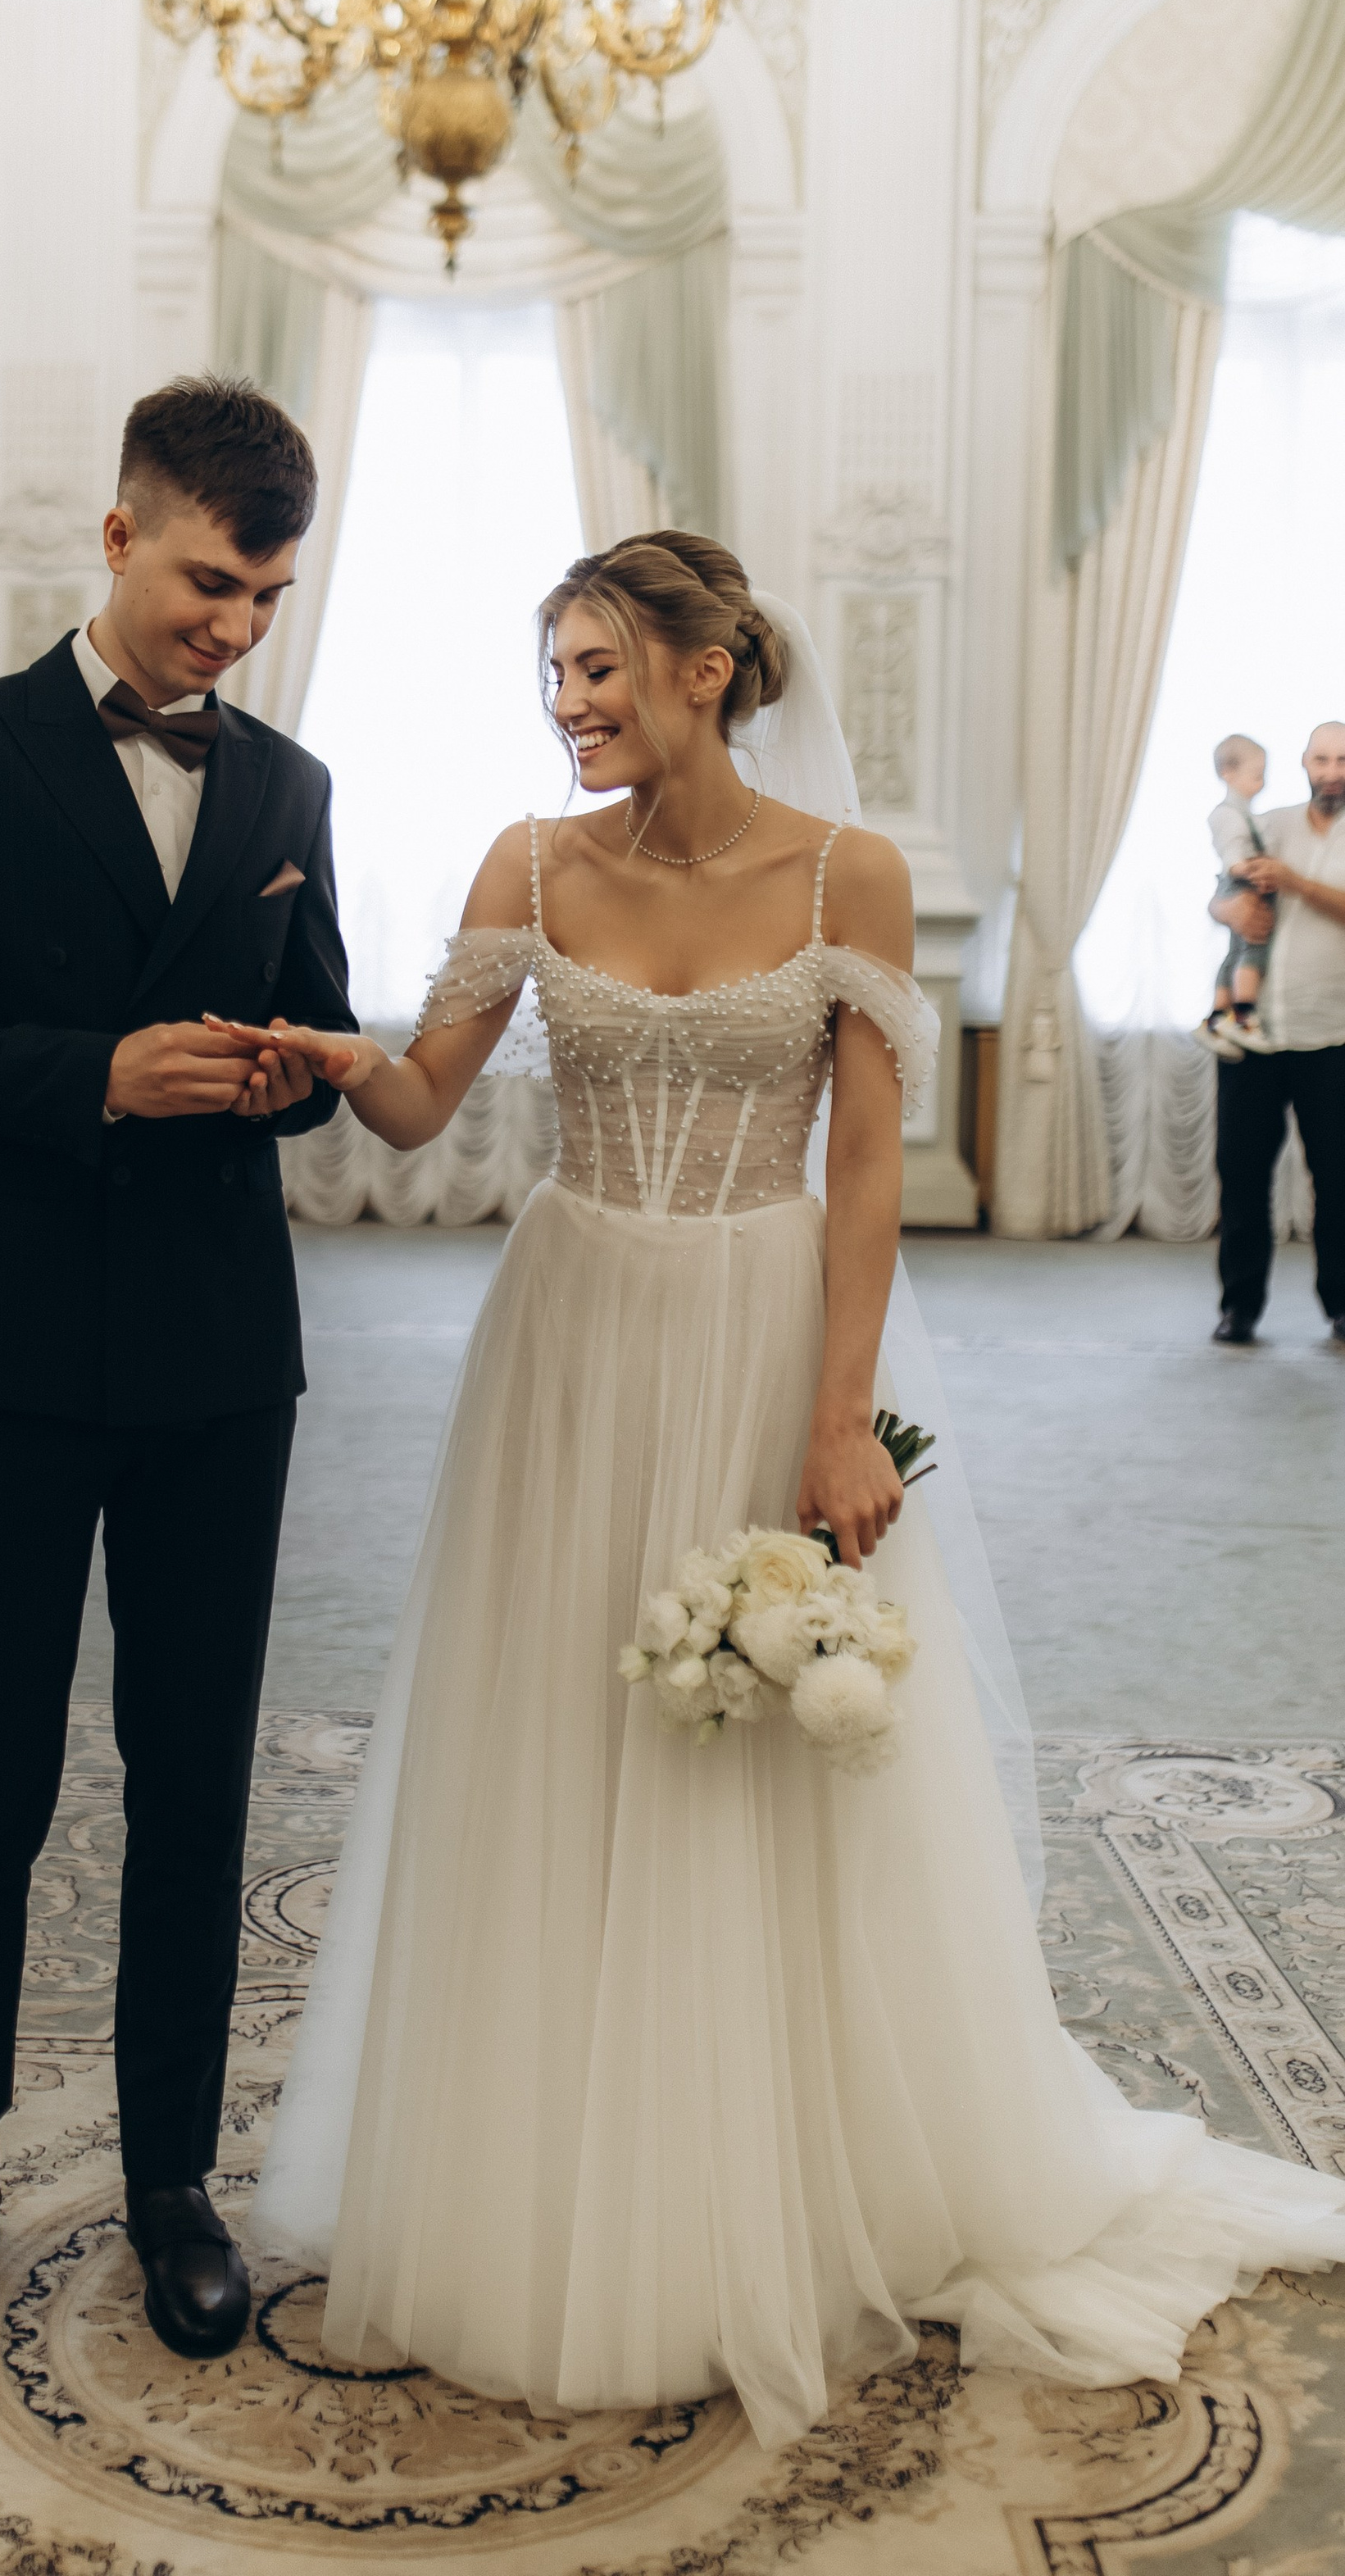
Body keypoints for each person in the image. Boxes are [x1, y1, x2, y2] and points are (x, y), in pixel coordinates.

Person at [230, 530, 1345, 2451]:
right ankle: (550, 2157)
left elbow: (856, 1172)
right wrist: (322, 1052)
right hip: (567, 1332)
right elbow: (423, 1097)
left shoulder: (847, 872)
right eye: (550, 674)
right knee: (553, 1727)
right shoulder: (527, 861)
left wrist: (838, 1419)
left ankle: (771, 2168)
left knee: (746, 1739)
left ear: (704, 663)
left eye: (593, 667)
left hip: (758, 1316)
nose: (566, 705)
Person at [0, 375, 357, 2372]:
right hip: (0, 1347)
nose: (233, 627)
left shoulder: (294, 788)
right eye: (212, 581)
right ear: (121, 531)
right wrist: (96, 1077)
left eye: (269, 596)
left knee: (196, 1781)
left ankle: (167, 2179)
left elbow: (308, 1041)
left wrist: (287, 1069)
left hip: (222, 1354)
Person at [1211, 718, 1345, 1346]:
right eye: (1322, 758)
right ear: (1304, 762)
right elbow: (1224, 891)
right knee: (1240, 1175)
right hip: (1253, 1038)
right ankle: (1239, 1308)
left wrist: (1295, 883)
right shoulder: (1274, 822)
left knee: (1339, 1179)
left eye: (1343, 760)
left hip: (1333, 1036)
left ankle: (1342, 1307)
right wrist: (1225, 908)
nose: (1332, 771)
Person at [1196, 733, 1277, 1061]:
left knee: (1234, 953)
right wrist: (1253, 871)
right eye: (1257, 775)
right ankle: (1244, 1016)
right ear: (1228, 772)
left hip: (1234, 884)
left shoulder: (1243, 811)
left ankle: (1217, 1019)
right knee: (1252, 949)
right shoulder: (1229, 814)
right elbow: (1233, 856)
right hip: (1241, 883)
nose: (1262, 783)